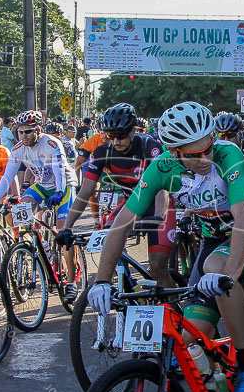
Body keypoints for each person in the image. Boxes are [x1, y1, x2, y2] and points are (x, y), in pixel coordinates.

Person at [86, 102, 244, 392]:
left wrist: (229, 274)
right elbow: (123, 222)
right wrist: (101, 280)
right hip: (212, 238)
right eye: (194, 154)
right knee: (192, 341)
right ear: (173, 154)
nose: (205, 157)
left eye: (208, 147)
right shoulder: (161, 169)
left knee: (215, 267)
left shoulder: (229, 154)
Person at [55, 105, 172, 286]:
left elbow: (163, 188)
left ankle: (169, 308)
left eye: (121, 135)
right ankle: (125, 281)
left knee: (157, 266)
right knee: (109, 238)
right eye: (111, 135)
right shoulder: (102, 152)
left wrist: (158, 216)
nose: (116, 141)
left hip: (157, 204)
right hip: (130, 204)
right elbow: (85, 192)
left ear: (133, 131)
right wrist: (67, 228)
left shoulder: (149, 146)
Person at [0, 110, 79, 300]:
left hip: (63, 185)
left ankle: (71, 281)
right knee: (17, 212)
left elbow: (59, 170)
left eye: (28, 131)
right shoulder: (18, 149)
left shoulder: (52, 144)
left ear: (38, 129)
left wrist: (60, 192)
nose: (24, 135)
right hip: (42, 185)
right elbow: (6, 177)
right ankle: (41, 243)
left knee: (63, 232)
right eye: (20, 132)